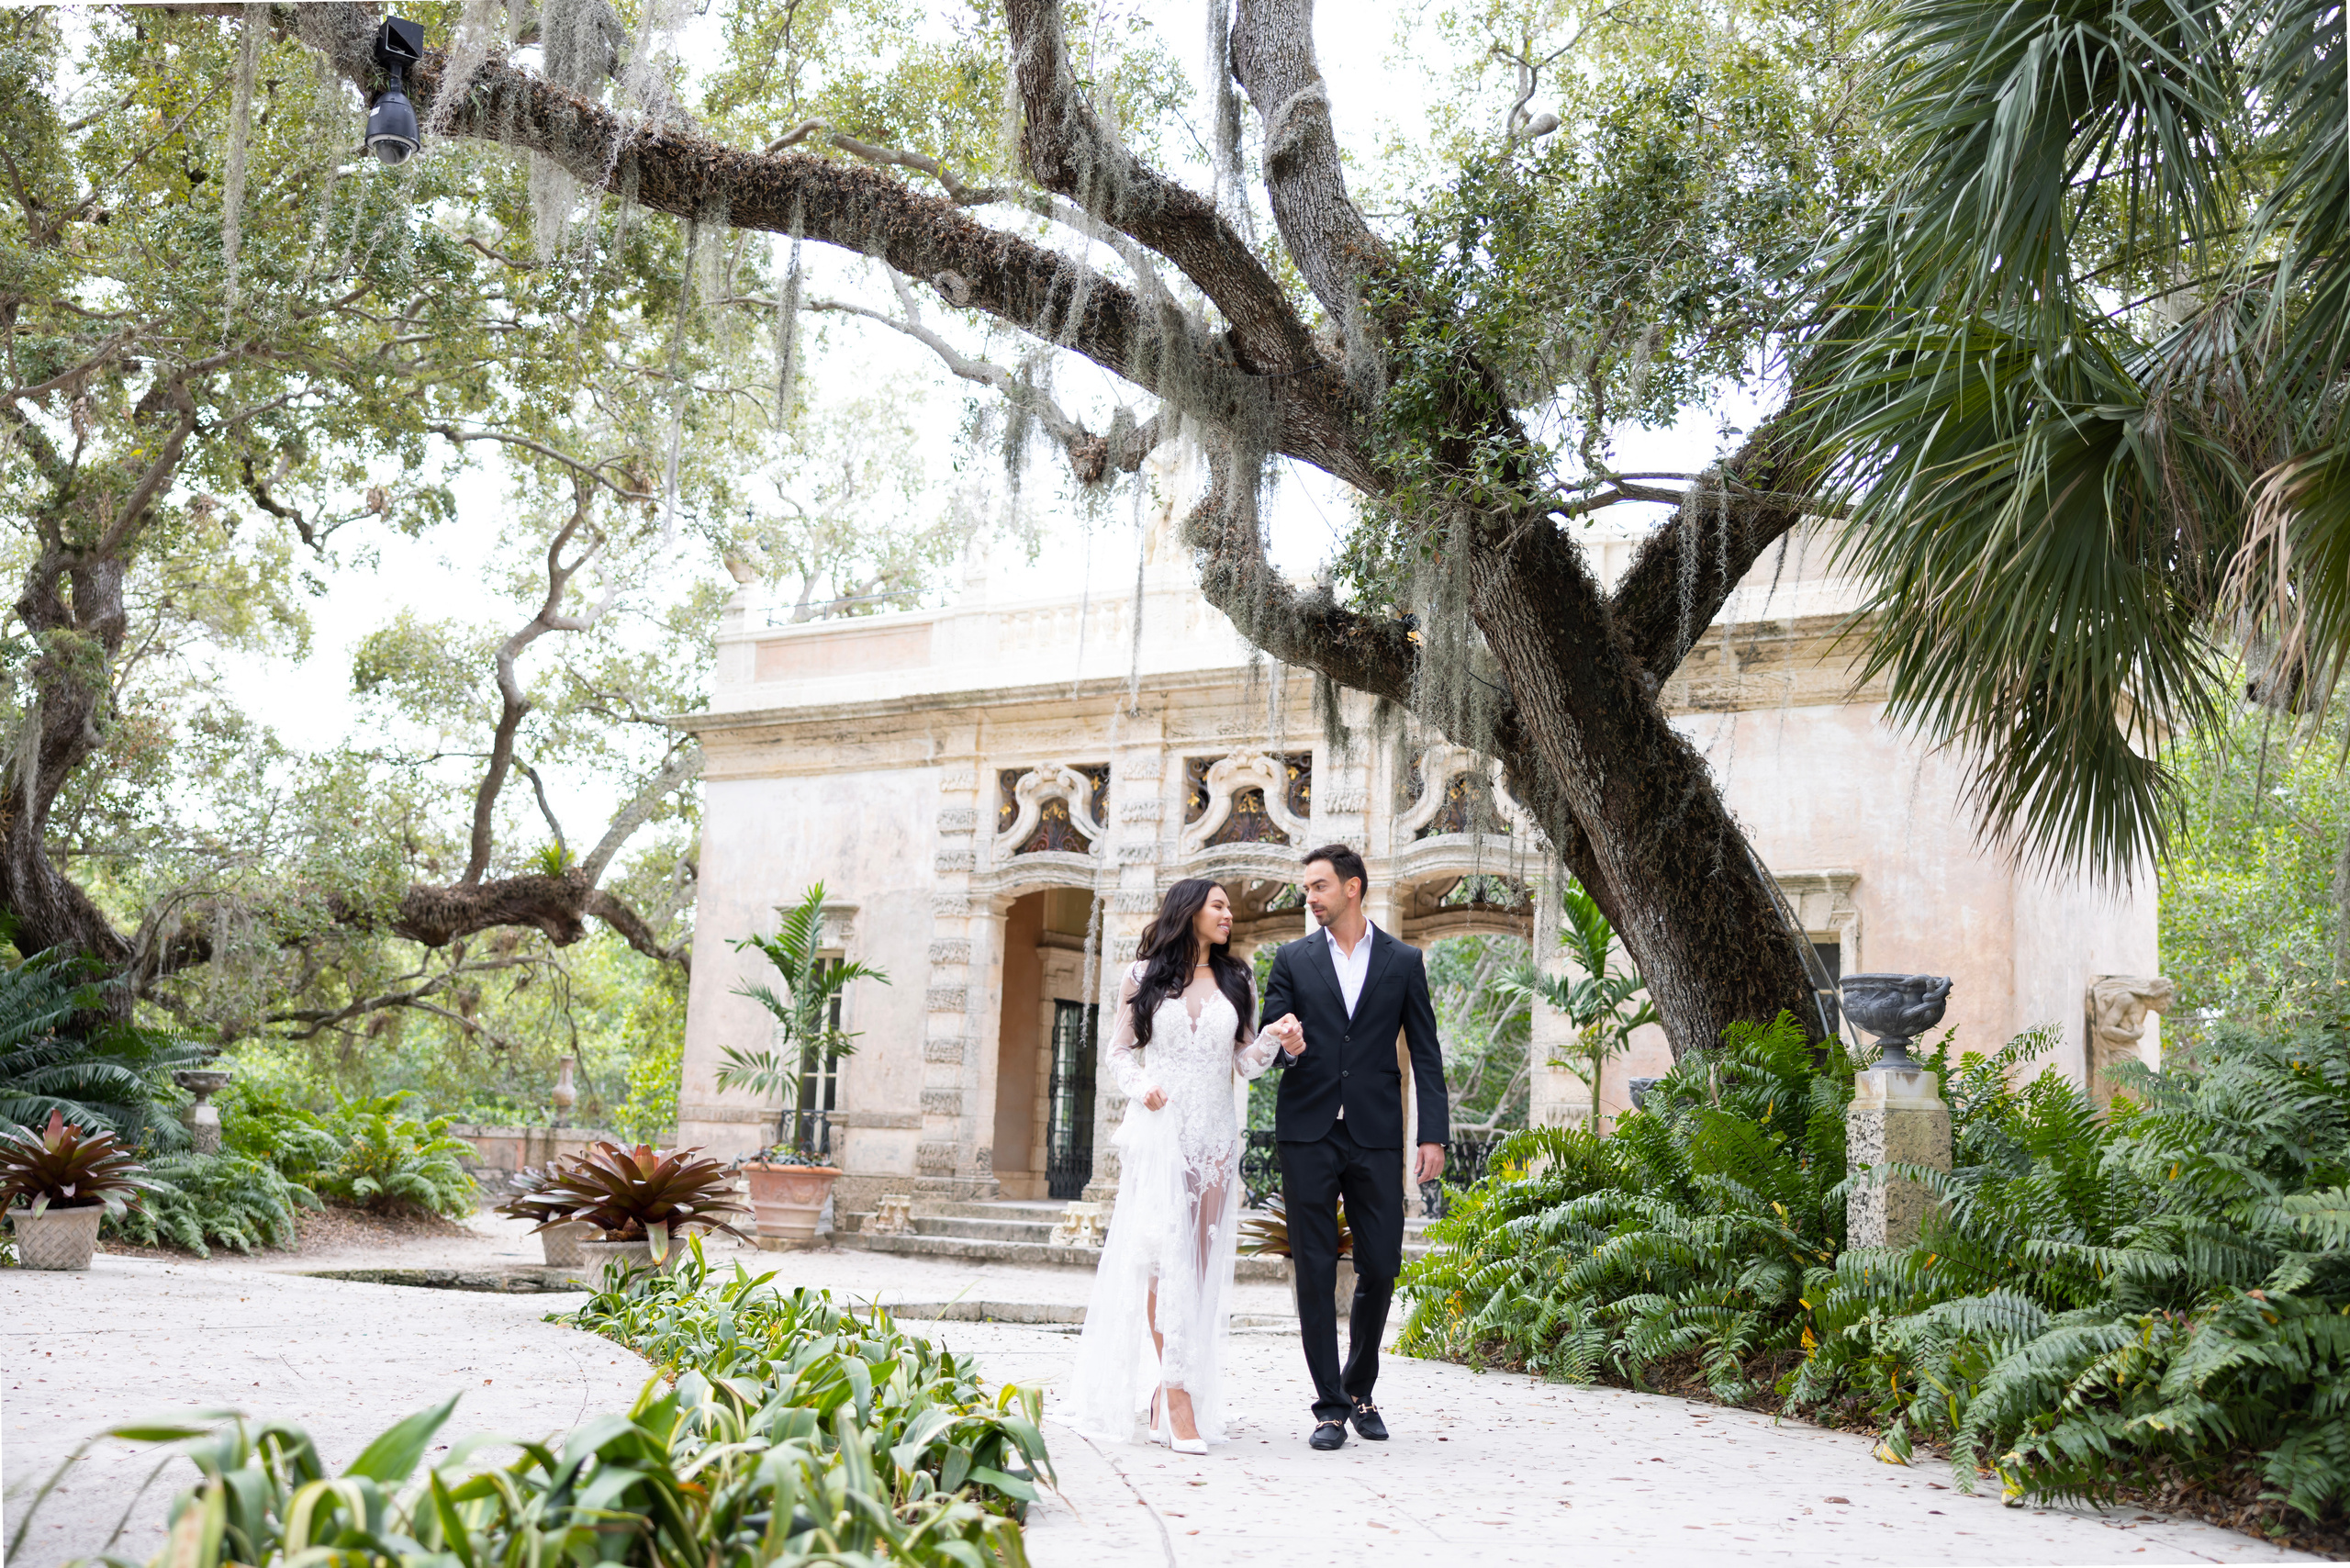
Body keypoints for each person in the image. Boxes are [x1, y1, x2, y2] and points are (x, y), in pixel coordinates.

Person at [1065, 878, 1298, 1453]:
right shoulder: (1143, 976)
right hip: (1161, 1134)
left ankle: (1165, 1391)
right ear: (1190, 910)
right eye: (1219, 905)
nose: (1229, 914)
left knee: (1194, 1268)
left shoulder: (1238, 978)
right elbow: (1119, 1052)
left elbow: (1245, 1063)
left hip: (1214, 1140)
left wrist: (1273, 1037)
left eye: (1229, 907)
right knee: (1161, 1261)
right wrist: (1141, 1086)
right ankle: (1176, 1398)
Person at [1259, 843, 1449, 1450]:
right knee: (1314, 1269)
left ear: (1352, 887)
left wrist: (1432, 1134)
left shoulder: (1403, 960)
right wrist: (1285, 1040)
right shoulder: (1292, 959)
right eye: (1306, 889)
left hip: (1376, 1133)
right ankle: (1330, 1407)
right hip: (1307, 1131)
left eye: (1318, 886)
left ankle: (1360, 1387)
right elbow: (1270, 1038)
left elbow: (1425, 1052)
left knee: (1382, 1264)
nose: (1309, 897)